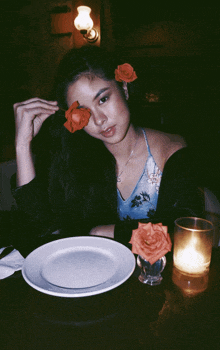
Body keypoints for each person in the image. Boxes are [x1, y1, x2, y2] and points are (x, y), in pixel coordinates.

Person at [12, 46, 204, 253]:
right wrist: (22, 146)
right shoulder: (76, 156)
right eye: (83, 111)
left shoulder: (171, 150)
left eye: (103, 99)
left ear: (124, 89)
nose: (99, 119)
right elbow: (39, 228)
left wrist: (103, 232)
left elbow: (185, 231)